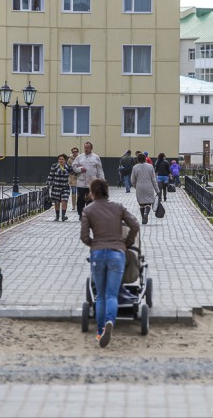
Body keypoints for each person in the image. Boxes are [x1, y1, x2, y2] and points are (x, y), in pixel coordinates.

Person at [80, 178, 139, 347]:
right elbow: (134, 225)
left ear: (92, 192)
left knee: (101, 295)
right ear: (107, 191)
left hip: (98, 254)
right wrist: (126, 243)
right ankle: (110, 322)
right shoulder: (118, 207)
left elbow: (84, 236)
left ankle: (100, 332)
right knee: (112, 294)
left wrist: (94, 245)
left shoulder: (88, 210)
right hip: (117, 253)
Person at [72, 142, 105, 219]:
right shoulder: (79, 157)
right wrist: (79, 169)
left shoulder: (96, 157)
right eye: (85, 148)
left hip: (92, 182)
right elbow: (73, 167)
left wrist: (102, 180)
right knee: (81, 199)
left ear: (91, 148)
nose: (86, 149)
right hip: (81, 182)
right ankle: (81, 214)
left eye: (88, 148)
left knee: (90, 199)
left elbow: (100, 170)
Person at [131, 152, 159, 224]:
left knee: (141, 203)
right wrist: (157, 190)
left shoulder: (135, 167)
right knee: (149, 202)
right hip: (149, 186)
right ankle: (146, 212)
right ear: (145, 158)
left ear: (138, 159)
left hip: (139, 186)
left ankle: (143, 218)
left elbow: (132, 180)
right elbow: (153, 179)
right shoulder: (150, 166)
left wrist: (135, 186)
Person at [47, 154, 73, 221]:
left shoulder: (68, 167)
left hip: (65, 187)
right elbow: (51, 175)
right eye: (59, 159)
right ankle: (57, 216)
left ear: (65, 160)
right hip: (56, 187)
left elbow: (73, 172)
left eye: (62, 159)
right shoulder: (54, 166)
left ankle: (63, 216)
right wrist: (48, 183)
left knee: (64, 200)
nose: (61, 160)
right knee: (57, 202)